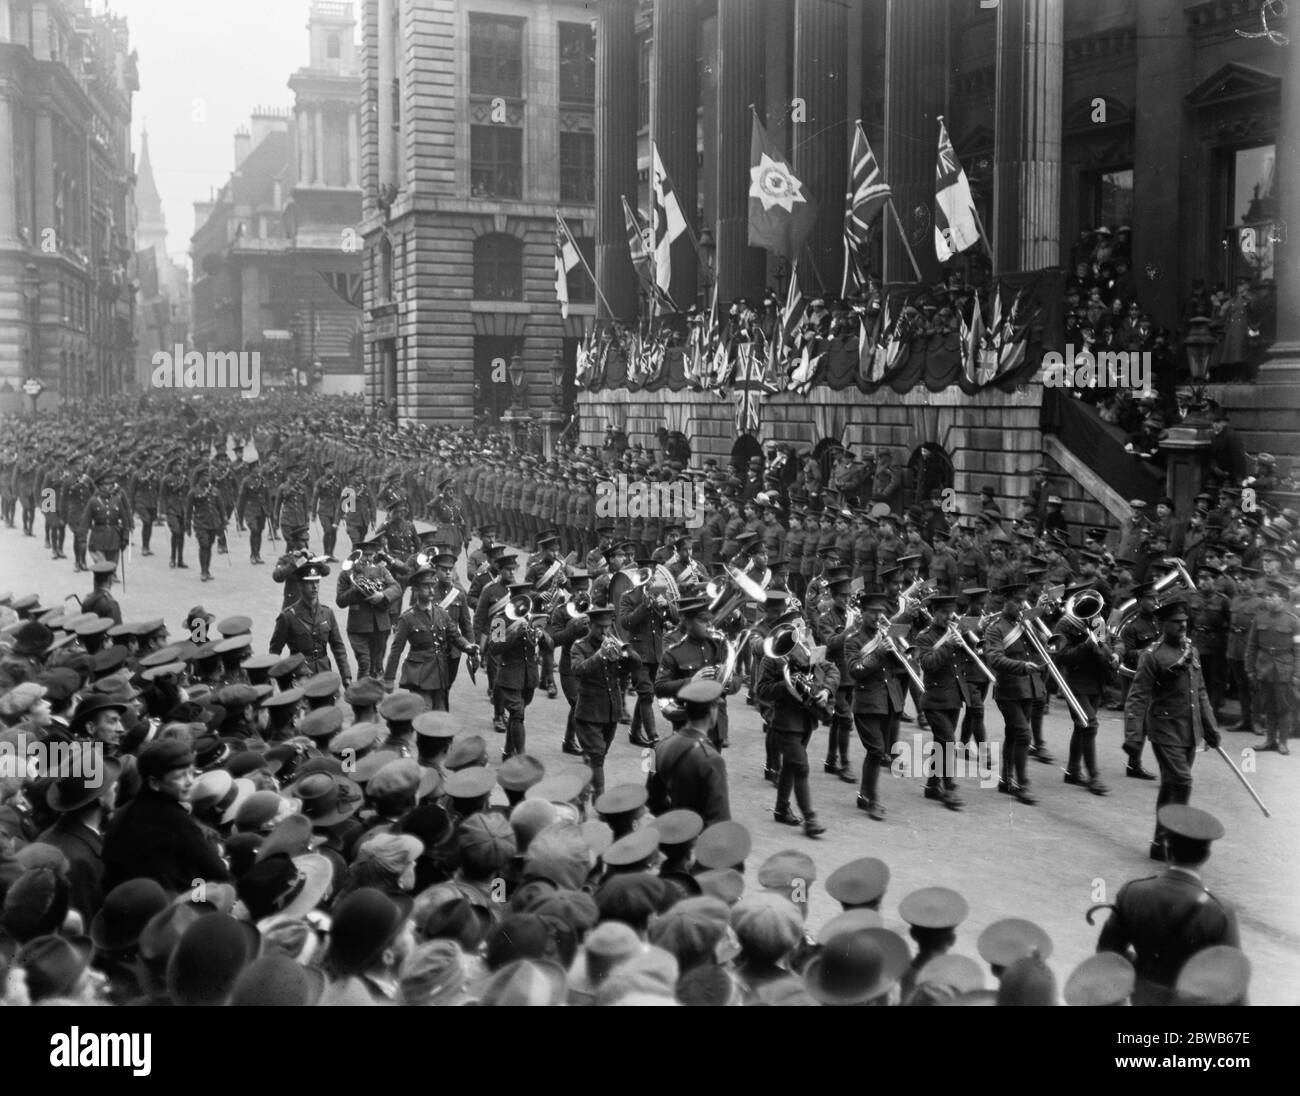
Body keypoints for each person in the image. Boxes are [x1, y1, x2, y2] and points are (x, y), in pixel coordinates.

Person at [1096, 805, 1239, 1005]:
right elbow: (1233, 985)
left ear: (1166, 848)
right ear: (1206, 856)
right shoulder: (1220, 911)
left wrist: (1140, 966)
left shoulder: (1132, 892)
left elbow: (1107, 953)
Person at [1124, 596, 1220, 860]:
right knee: (1182, 782)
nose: (1182, 626)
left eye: (1185, 622)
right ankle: (1176, 841)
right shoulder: (1152, 656)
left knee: (1170, 786)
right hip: (1164, 729)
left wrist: (1210, 727)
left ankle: (1160, 842)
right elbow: (1138, 696)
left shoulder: (1192, 651)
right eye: (1176, 623)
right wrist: (1133, 736)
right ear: (1162, 625)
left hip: (1189, 730)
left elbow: (1200, 692)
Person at [100, 739, 230, 893]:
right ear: (154, 783)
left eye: (191, 772)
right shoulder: (177, 821)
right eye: (180, 776)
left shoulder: (124, 811)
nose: (190, 781)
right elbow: (215, 872)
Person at [755, 624, 836, 838]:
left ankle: (781, 809)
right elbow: (761, 690)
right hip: (784, 722)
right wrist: (789, 684)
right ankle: (811, 820)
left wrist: (826, 690)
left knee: (791, 766)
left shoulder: (807, 649)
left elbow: (831, 670)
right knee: (801, 766)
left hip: (807, 718)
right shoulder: (771, 658)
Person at [982, 581, 1047, 804]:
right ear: (1006, 602)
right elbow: (995, 658)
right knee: (1023, 735)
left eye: (1022, 602)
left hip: (1027, 689)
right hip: (1008, 690)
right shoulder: (995, 628)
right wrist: (1021, 666)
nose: (1021, 606)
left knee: (1013, 734)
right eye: (1017, 602)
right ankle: (1021, 784)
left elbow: (1042, 647)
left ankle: (1005, 779)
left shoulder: (1024, 625)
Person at [383, 566, 478, 712]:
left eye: (432, 586)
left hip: (440, 672)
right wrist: (389, 678)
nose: (431, 590)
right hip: (419, 674)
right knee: (423, 714)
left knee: (441, 715)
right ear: (416, 590)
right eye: (426, 587)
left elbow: (455, 636)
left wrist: (467, 647)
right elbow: (396, 650)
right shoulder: (407, 618)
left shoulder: (441, 613)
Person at [570, 606, 641, 800]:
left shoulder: (612, 643)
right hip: (589, 711)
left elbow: (635, 665)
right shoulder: (579, 647)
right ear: (591, 625)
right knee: (598, 755)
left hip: (611, 710)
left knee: (600, 754)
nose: (604, 632)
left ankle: (589, 773)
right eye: (600, 627)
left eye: (607, 627)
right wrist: (599, 655)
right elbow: (578, 671)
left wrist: (626, 651)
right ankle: (599, 797)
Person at [645, 680, 731, 826]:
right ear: (712, 711)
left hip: (667, 835)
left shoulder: (659, 747)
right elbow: (720, 821)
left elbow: (652, 800)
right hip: (696, 840)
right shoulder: (712, 759)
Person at [911, 595, 965, 811]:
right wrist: (948, 646)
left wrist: (963, 643)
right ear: (934, 613)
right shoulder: (924, 637)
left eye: (950, 612)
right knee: (948, 741)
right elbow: (928, 663)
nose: (948, 616)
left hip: (953, 696)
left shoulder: (955, 633)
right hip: (933, 699)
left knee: (942, 743)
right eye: (943, 612)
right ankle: (949, 786)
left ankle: (932, 786)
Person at [269, 560, 353, 685]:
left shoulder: (327, 613)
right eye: (309, 582)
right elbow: (274, 652)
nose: (315, 586)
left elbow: (338, 647)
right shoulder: (287, 617)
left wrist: (346, 676)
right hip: (300, 677)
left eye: (317, 581)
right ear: (300, 585)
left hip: (324, 674)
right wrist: (274, 680)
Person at [1244, 577, 1300, 755]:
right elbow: (1251, 646)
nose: (1268, 599)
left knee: (1284, 707)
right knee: (1268, 706)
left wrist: (1297, 674)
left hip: (1285, 669)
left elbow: (1298, 650)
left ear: (1283, 598)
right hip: (1264, 668)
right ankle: (1269, 740)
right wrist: (1250, 669)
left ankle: (1282, 741)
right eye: (1267, 596)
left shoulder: (1293, 621)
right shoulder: (1259, 618)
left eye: (1272, 596)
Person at [337, 536, 401, 680]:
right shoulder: (347, 573)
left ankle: (372, 696)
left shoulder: (381, 570)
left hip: (380, 625)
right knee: (364, 663)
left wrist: (382, 595)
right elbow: (340, 601)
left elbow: (397, 588)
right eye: (364, 555)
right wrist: (355, 588)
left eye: (370, 555)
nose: (367, 559)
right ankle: (361, 697)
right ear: (357, 555)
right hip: (358, 626)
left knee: (376, 666)